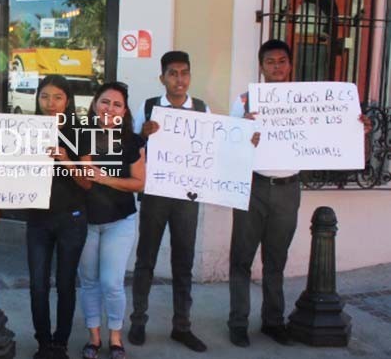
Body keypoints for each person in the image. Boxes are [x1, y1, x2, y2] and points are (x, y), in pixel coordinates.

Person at [227, 39, 371, 347]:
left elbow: (333, 130)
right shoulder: (244, 101)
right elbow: (229, 145)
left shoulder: (307, 100)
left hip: (288, 188)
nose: (276, 66)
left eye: (281, 61)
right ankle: (238, 322)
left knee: (275, 260)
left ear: (289, 65)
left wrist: (356, 127)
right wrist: (241, 128)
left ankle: (272, 321)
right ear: (261, 66)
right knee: (241, 258)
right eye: (270, 61)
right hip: (252, 186)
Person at [128, 51, 208, 352]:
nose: (179, 79)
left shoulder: (201, 108)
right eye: (172, 73)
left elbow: (211, 149)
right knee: (145, 259)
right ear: (162, 78)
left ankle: (182, 326)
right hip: (155, 194)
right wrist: (143, 134)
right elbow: (130, 145)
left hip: (187, 196)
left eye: (184, 73)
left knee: (183, 261)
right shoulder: (149, 107)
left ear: (189, 76)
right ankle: (138, 320)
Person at [78, 82, 146, 359]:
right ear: (95, 104)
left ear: (124, 111)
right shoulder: (80, 135)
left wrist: (104, 178)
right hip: (85, 221)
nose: (110, 108)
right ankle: (93, 338)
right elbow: (81, 178)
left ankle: (115, 337)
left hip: (120, 221)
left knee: (112, 282)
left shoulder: (132, 141)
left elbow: (139, 183)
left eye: (117, 104)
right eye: (105, 102)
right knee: (89, 281)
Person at [27, 75, 91, 359]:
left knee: (65, 284)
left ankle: (60, 342)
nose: (50, 103)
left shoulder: (81, 131)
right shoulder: (25, 130)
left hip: (71, 219)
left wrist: (66, 160)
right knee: (37, 284)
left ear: (68, 101)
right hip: (38, 220)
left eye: (57, 97)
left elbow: (87, 182)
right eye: (44, 97)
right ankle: (43, 342)